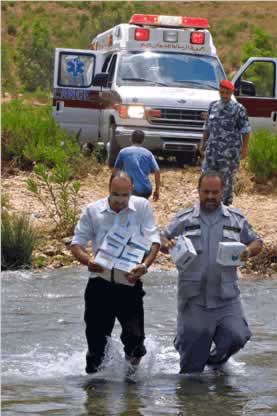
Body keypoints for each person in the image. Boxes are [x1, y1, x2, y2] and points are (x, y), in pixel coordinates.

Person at [161, 171, 262, 374]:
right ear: (198, 191)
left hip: (226, 296)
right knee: (191, 370)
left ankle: (215, 361)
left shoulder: (236, 219)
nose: (210, 197)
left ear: (222, 192)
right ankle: (192, 397)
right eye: (206, 192)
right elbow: (162, 238)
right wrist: (168, 244)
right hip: (193, 298)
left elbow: (257, 241)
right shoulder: (184, 219)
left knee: (237, 336)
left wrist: (248, 251)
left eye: (215, 192)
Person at [70, 170, 160, 374]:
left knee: (135, 340)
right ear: (109, 190)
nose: (121, 200)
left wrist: (145, 265)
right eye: (116, 194)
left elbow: (154, 240)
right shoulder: (93, 211)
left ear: (132, 191)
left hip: (129, 282)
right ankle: (95, 395)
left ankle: (131, 383)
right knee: (96, 345)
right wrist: (88, 261)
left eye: (125, 195)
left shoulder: (142, 207)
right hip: (99, 284)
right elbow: (76, 244)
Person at [200, 79, 251, 206]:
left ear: (231, 92)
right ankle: (207, 205)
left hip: (228, 155)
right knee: (206, 178)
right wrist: (203, 142)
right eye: (222, 92)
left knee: (226, 182)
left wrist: (244, 148)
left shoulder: (238, 109)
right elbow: (207, 127)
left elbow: (246, 129)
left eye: (227, 92)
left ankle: (225, 208)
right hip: (212, 152)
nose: (224, 95)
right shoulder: (213, 106)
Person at [113, 130, 161, 201]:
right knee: (141, 207)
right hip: (146, 190)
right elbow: (157, 170)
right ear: (143, 140)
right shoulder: (148, 154)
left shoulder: (123, 152)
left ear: (131, 139)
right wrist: (157, 190)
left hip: (130, 189)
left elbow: (115, 171)